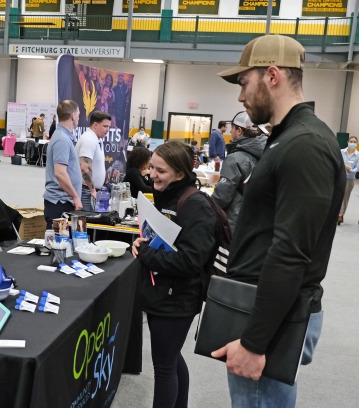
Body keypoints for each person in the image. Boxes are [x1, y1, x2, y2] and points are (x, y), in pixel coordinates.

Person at [213, 34, 346, 407]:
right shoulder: (284, 138)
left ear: (272, 75)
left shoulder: (303, 145)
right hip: (261, 307)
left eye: (243, 83)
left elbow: (290, 253)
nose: (240, 96)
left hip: (271, 319)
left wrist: (255, 343)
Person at [131, 141, 218, 408]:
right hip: (162, 292)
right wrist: (142, 243)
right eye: (151, 168)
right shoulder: (167, 195)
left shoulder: (195, 205)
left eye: (161, 171)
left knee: (164, 366)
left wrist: (147, 255)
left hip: (178, 298)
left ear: (180, 173)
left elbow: (190, 260)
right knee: (171, 358)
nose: (152, 175)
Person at [212, 111, 266, 230]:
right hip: (257, 221)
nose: (230, 131)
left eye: (232, 128)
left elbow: (221, 197)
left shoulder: (235, 159)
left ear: (239, 131)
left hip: (234, 223)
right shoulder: (268, 152)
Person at [43, 100, 82, 228]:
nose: (79, 118)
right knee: (59, 244)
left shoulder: (63, 137)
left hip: (62, 201)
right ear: (73, 116)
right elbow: (60, 173)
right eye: (78, 115)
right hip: (60, 203)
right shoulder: (62, 140)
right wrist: (75, 196)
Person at [76, 110, 112, 211]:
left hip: (91, 191)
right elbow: (84, 167)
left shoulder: (97, 139)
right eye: (105, 126)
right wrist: (92, 190)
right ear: (95, 125)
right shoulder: (89, 139)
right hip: (86, 192)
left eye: (109, 127)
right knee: (87, 223)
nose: (108, 129)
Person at [338, 136, 359, 225]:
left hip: (349, 178)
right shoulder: (341, 151)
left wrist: (351, 170)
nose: (352, 143)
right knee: (337, 196)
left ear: (357, 144)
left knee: (345, 198)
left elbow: (357, 167)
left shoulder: (358, 154)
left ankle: (341, 214)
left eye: (354, 142)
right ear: (347, 142)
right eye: (351, 141)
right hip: (340, 177)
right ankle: (336, 213)